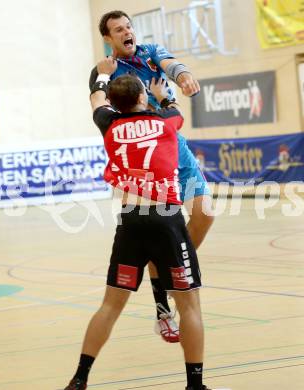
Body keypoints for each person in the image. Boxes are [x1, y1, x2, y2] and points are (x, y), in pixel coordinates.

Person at [63, 59, 215, 390]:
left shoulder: (109, 125)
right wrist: (164, 96)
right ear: (142, 97)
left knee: (109, 306)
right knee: (190, 305)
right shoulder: (165, 122)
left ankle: (79, 377)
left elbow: (96, 100)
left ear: (115, 104)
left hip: (131, 222)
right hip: (167, 220)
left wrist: (103, 74)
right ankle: (195, 384)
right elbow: (175, 110)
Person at [89, 10, 214, 343]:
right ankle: (163, 310)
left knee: (205, 212)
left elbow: (173, 64)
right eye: (118, 29)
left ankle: (168, 269)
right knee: (157, 227)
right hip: (142, 156)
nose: (127, 32)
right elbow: (100, 107)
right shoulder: (105, 72)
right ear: (108, 38)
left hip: (172, 142)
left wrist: (184, 76)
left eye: (128, 26)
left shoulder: (150, 51)